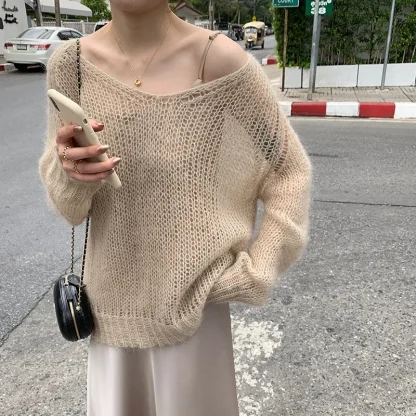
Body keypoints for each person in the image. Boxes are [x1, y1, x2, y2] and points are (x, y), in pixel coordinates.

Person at [39, 1, 312, 415]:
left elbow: (290, 172)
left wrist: (257, 271)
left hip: (194, 322)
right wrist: (69, 172)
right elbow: (70, 209)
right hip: (111, 320)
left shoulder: (218, 59)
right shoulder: (71, 64)